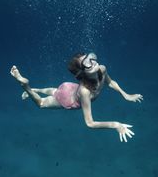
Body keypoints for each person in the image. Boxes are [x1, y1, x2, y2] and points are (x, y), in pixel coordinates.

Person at [10, 52, 143, 142]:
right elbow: (90, 123)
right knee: (41, 103)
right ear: (82, 73)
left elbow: (110, 82)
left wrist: (126, 95)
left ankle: (34, 89)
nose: (92, 62)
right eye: (87, 63)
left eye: (90, 58)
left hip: (68, 87)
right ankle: (26, 86)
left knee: (55, 91)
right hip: (68, 98)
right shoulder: (85, 92)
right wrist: (116, 125)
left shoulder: (102, 68)